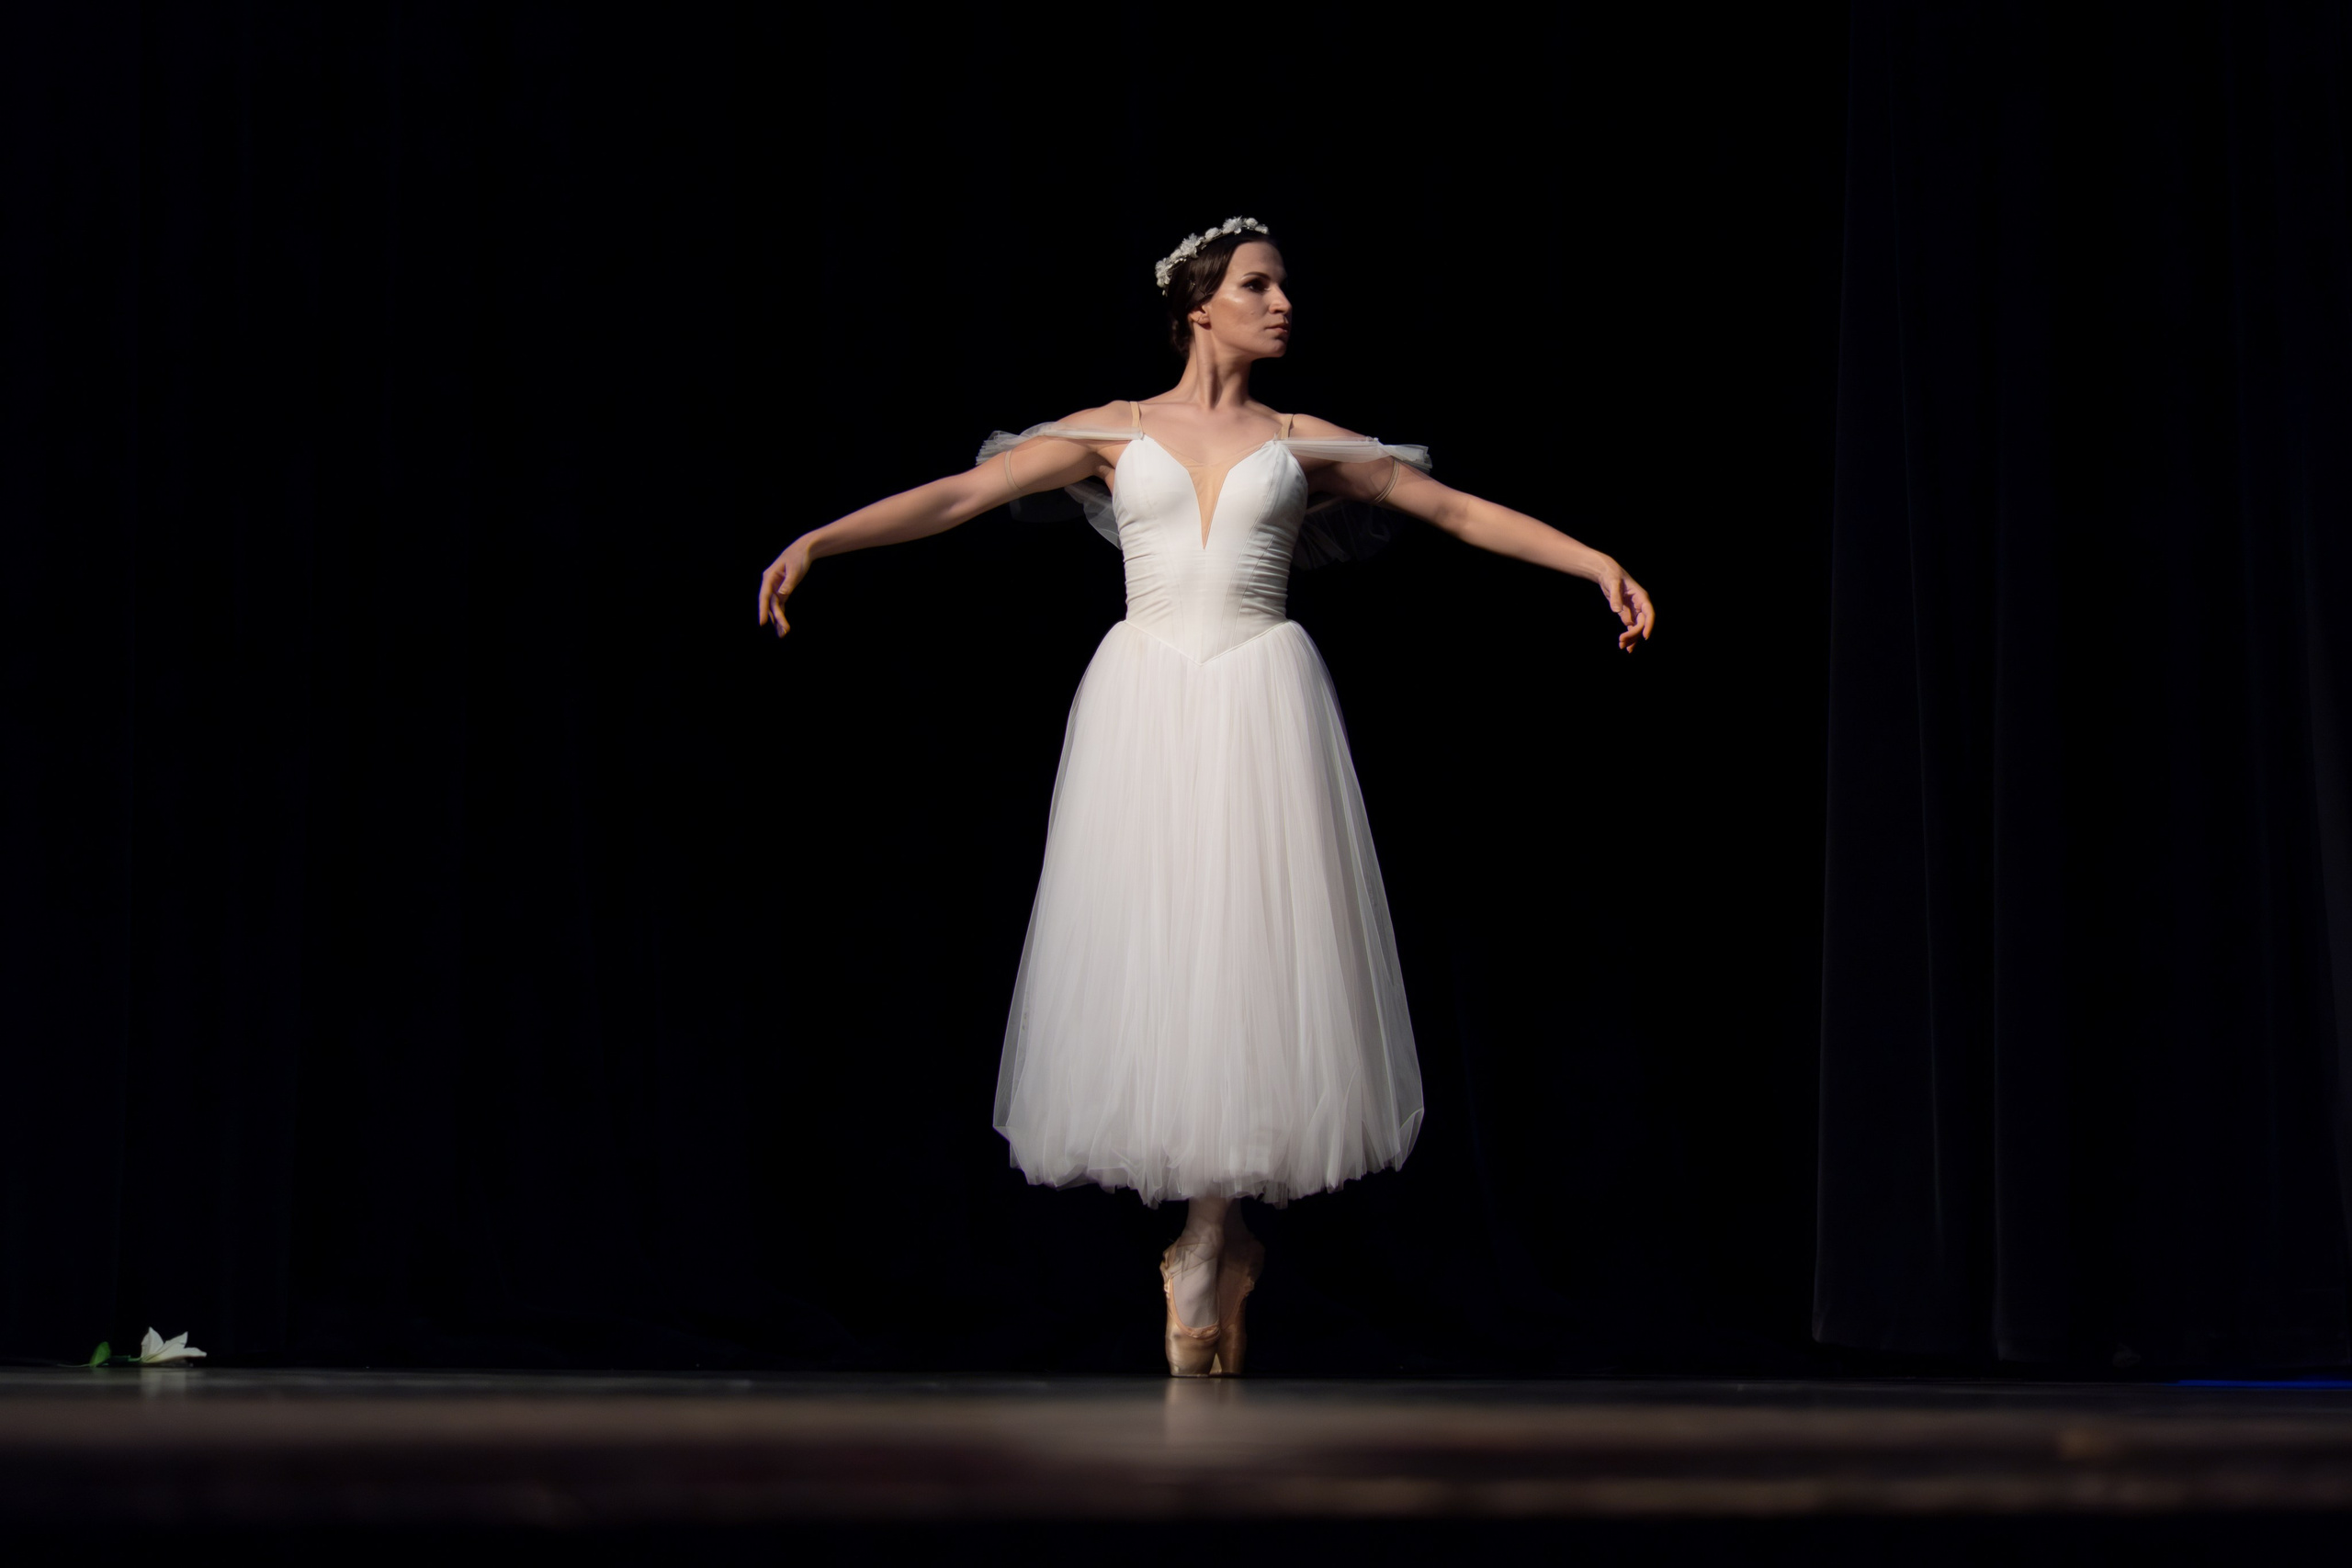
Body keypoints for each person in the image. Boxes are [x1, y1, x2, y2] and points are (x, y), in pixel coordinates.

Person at [757, 218, 1656, 1376]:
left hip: (1260, 697)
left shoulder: (1303, 439)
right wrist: (823, 541)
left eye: (1282, 287)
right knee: (1159, 953)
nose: (1282, 304)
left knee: (1246, 957)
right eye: (1258, 286)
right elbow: (956, 499)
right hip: (1144, 699)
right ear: (1198, 306)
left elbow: (1457, 511)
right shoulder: (1110, 432)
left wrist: (1594, 562)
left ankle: (1212, 1236)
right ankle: (1210, 1245)